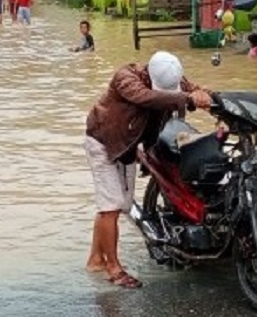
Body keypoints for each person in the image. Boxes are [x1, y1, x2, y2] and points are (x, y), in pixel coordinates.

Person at [84, 51, 213, 288]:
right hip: (104, 142)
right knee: (110, 207)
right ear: (149, 74)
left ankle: (95, 259)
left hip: (129, 146)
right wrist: (188, 99)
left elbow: (194, 91)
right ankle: (113, 269)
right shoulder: (126, 77)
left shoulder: (176, 81)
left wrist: (212, 98)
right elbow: (147, 98)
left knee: (115, 205)